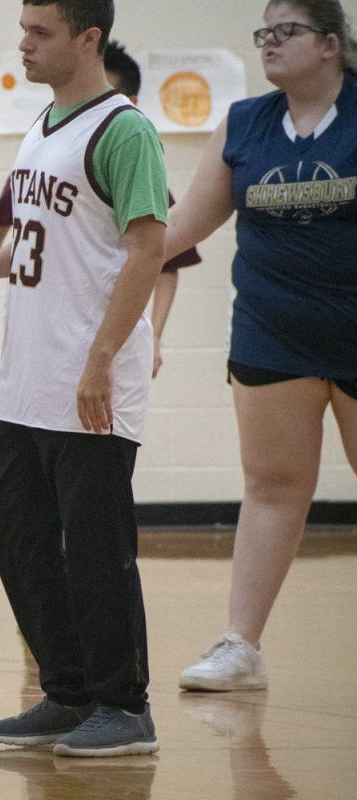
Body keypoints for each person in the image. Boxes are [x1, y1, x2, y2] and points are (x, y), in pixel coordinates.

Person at [0, 0, 167, 757]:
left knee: (96, 551)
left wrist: (104, 359)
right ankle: (66, 690)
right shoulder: (40, 127)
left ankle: (124, 704)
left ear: (88, 38)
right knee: (22, 542)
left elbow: (147, 248)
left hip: (90, 379)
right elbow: (43, 234)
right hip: (25, 381)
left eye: (39, 33)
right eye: (23, 29)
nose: (24, 44)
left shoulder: (125, 129)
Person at [168, 0, 357, 692]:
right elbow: (183, 224)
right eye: (264, 33)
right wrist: (104, 266)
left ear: (331, 45)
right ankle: (240, 646)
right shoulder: (244, 124)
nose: (270, 44)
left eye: (288, 31)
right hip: (271, 336)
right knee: (272, 488)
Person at [0, 41, 202, 378]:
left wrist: (155, 335)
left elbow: (166, 260)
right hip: (36, 340)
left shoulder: (132, 156)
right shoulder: (45, 154)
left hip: (95, 339)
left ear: (130, 103)